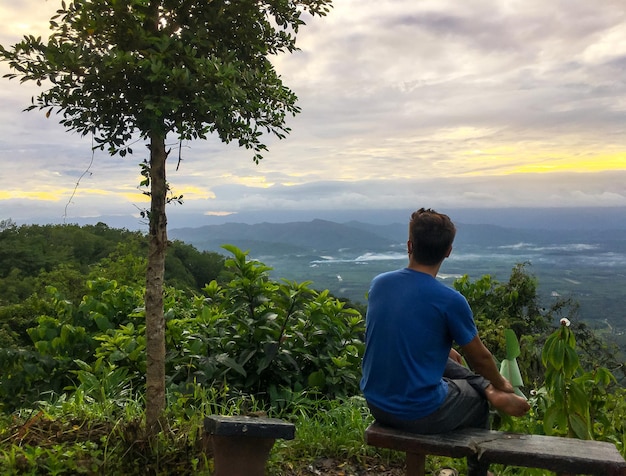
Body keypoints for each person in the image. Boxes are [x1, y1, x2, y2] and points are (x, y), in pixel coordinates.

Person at [360, 208, 530, 476]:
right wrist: (502, 383)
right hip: (418, 411)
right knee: (477, 402)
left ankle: (483, 389)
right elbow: (481, 358)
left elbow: (397, 332)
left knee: (449, 359)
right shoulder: (450, 300)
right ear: (448, 251)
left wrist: (443, 350)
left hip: (378, 403)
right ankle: (478, 468)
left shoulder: (380, 284)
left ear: (409, 246)